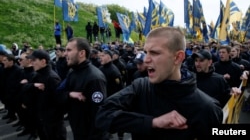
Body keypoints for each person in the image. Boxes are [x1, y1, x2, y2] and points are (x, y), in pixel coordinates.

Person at [95, 27, 223, 140]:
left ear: (178, 57)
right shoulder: (140, 87)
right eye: (146, 52)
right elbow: (102, 116)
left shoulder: (206, 108)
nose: (146, 60)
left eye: (155, 53)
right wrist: (153, 122)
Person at [61, 37, 109, 140]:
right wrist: (70, 94)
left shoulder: (94, 78)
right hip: (77, 130)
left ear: (81, 53)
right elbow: (59, 93)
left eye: (69, 50)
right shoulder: (72, 72)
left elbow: (99, 116)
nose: (65, 54)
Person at [26, 50, 67, 140]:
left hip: (53, 123)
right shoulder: (37, 75)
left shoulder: (52, 78)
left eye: (34, 61)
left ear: (43, 61)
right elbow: (26, 89)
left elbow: (61, 101)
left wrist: (50, 116)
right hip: (42, 119)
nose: (31, 63)